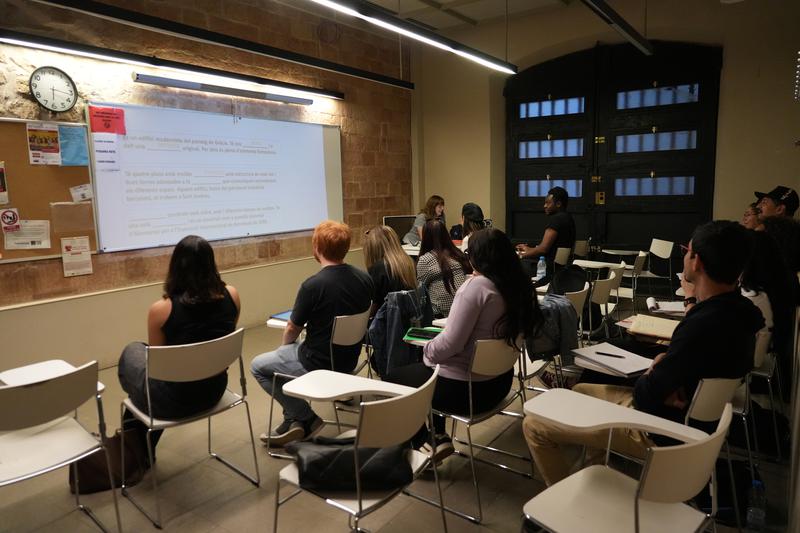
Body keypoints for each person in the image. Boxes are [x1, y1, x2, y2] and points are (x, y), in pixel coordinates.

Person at [523, 220, 764, 486]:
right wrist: (664, 367)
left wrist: (654, 371)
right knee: (581, 389)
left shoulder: (700, 326)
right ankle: (593, 475)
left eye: (687, 250)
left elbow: (645, 396)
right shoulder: (745, 314)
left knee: (534, 425)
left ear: (697, 262)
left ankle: (560, 504)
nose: (684, 254)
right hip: (696, 425)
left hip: (660, 431)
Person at [387, 228, 542, 460]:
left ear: (477, 256)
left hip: (466, 393)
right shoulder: (520, 287)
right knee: (433, 368)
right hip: (500, 383)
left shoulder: (476, 288)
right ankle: (438, 435)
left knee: (393, 379)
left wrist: (427, 352)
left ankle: (423, 442)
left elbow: (451, 344)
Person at [251, 221, 373, 446]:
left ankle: (304, 417)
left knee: (259, 366)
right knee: (283, 358)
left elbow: (291, 329)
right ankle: (294, 419)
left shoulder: (313, 286)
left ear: (317, 248)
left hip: (318, 363)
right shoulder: (364, 279)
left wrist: (285, 349)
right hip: (348, 361)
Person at [118, 235, 240, 457]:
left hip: (175, 402)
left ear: (175, 266)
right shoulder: (232, 295)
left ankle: (135, 455)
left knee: (133, 350)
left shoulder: (161, 310)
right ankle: (139, 451)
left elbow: (158, 367)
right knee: (142, 356)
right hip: (214, 390)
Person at [516, 186, 576, 285]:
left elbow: (543, 249)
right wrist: (528, 249)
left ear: (558, 204)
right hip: (560, 268)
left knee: (512, 264)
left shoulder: (556, 220)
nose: (545, 206)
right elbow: (547, 248)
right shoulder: (568, 218)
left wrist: (520, 255)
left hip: (547, 270)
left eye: (548, 203)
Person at [416, 219, 472, 317]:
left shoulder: (426, 260)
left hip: (439, 313)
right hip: (462, 308)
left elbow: (420, 291)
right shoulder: (457, 254)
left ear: (426, 237)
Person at [363, 225, 417, 314]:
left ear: (374, 248)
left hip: (386, 322)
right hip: (407, 319)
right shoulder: (408, 263)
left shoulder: (378, 269)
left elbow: (372, 308)